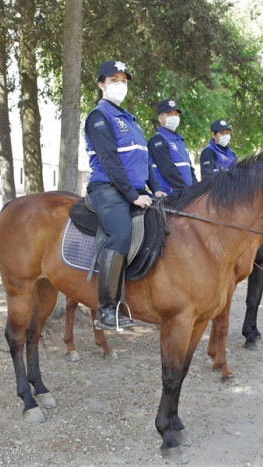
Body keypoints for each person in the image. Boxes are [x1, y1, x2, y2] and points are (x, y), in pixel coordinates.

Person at [84, 59, 167, 330]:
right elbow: (109, 162)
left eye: (123, 80)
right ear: (101, 85)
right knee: (120, 234)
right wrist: (133, 196)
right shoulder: (99, 117)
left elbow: (144, 159)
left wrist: (154, 187)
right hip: (107, 189)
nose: (120, 85)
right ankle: (107, 311)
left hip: (135, 189)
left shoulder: (131, 120)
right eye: (113, 80)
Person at [147, 98, 197, 195]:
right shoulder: (158, 140)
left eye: (176, 114)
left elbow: (189, 169)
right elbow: (167, 169)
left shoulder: (180, 141)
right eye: (169, 114)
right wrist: (186, 190)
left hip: (185, 195)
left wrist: (196, 189)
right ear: (160, 118)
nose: (174, 117)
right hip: (169, 196)